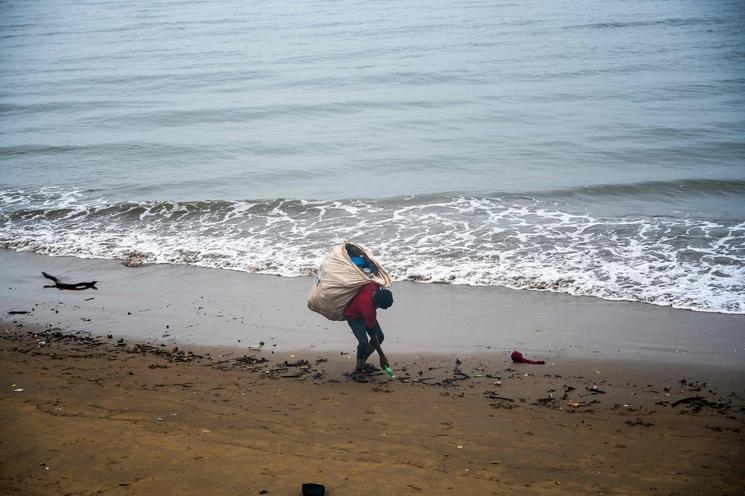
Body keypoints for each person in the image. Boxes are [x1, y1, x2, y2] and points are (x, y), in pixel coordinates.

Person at [344, 281, 393, 379]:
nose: (386, 309)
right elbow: (373, 335)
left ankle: (363, 362)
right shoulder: (369, 310)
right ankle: (359, 369)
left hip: (362, 311)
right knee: (363, 342)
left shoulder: (373, 286)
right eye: (384, 307)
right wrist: (382, 357)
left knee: (380, 337)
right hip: (354, 317)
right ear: (377, 303)